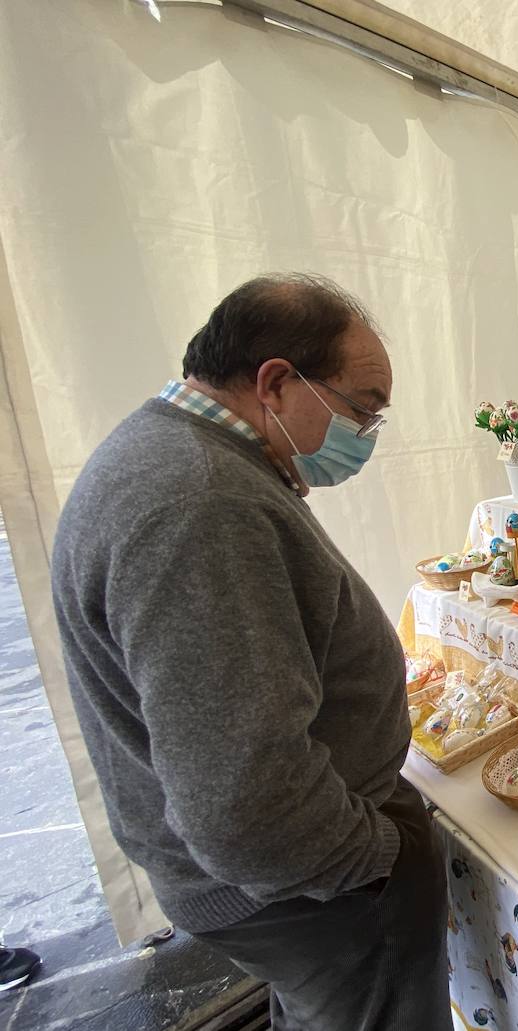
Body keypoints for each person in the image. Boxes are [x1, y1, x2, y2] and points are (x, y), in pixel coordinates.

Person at [51, 275, 449, 1030]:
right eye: (362, 407)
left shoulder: (174, 456)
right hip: (308, 893)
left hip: (279, 884)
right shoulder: (204, 504)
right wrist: (376, 857)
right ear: (275, 381)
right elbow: (246, 804)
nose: (366, 433)